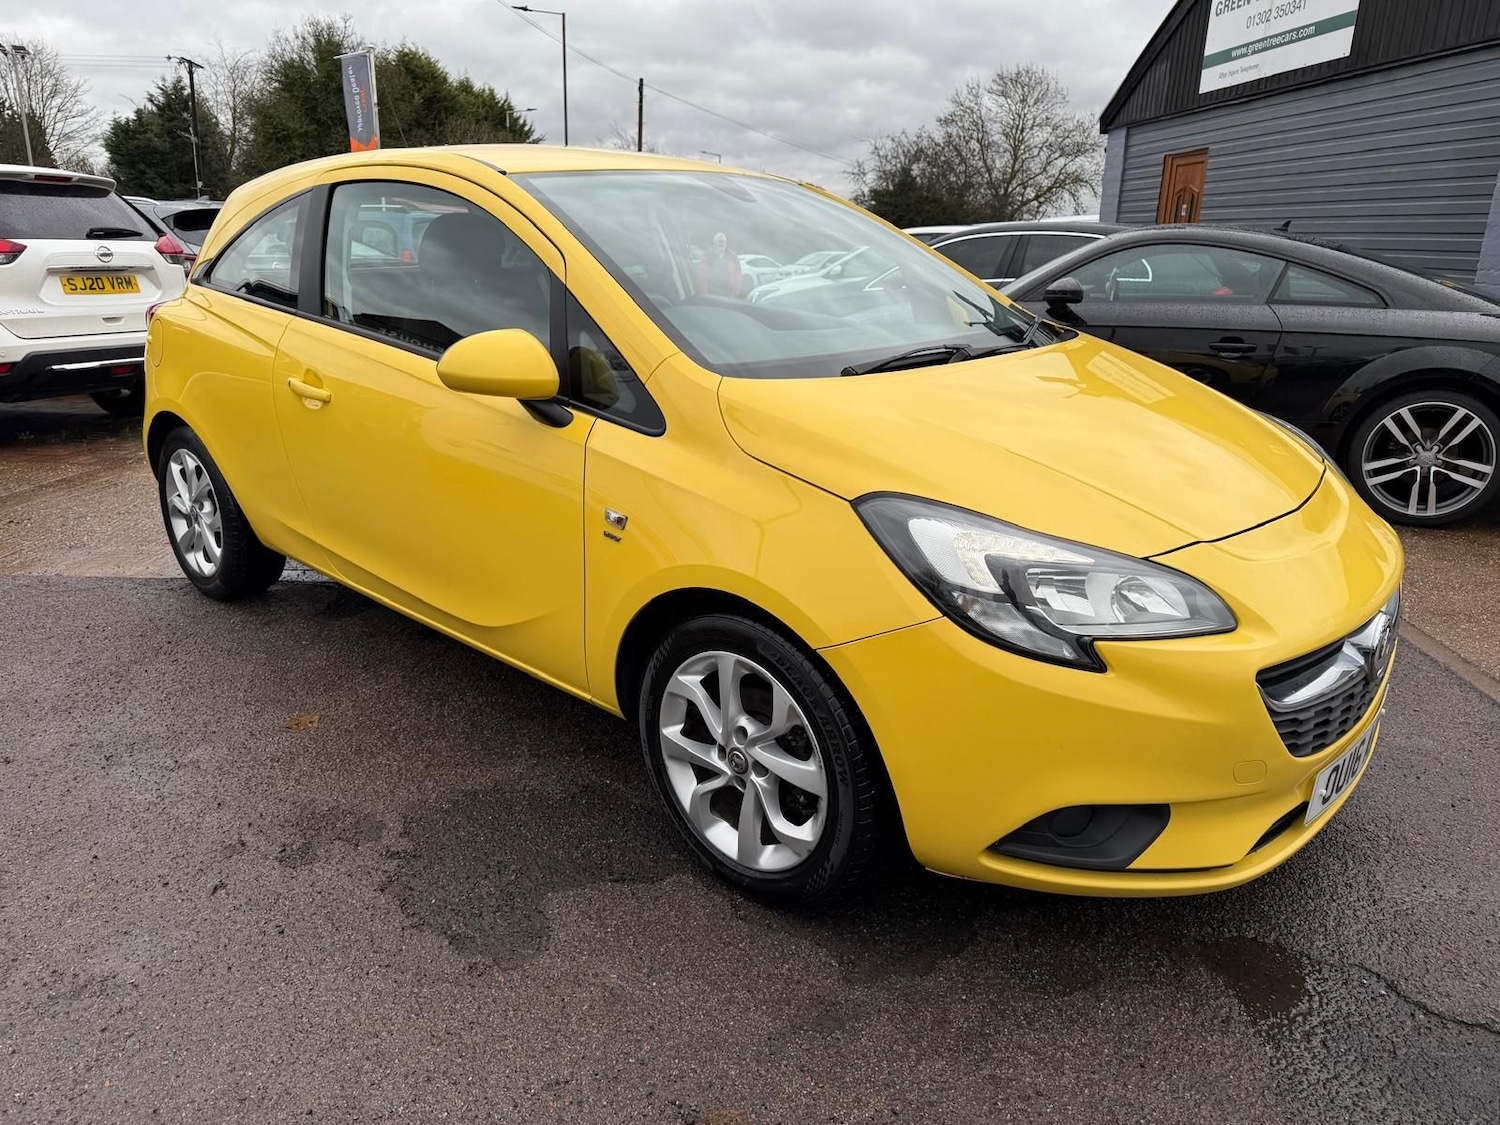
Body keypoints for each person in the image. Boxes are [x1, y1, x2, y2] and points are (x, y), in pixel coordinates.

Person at [696, 231, 744, 298]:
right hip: (711, 293)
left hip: (728, 293)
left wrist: (736, 292)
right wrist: (703, 291)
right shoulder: (707, 257)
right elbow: (700, 275)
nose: (721, 243)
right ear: (714, 243)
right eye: (719, 241)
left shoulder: (732, 257)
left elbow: (738, 276)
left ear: (726, 243)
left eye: (723, 241)